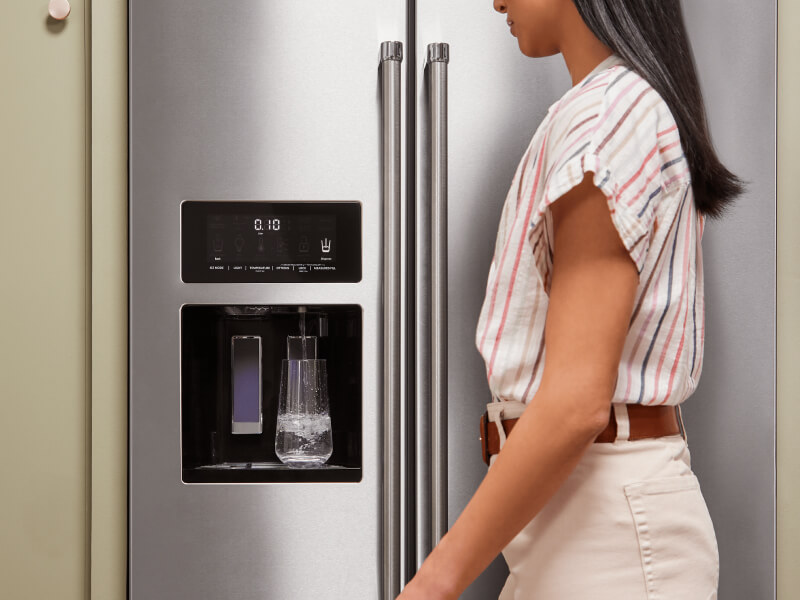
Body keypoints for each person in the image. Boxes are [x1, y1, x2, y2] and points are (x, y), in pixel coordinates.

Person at [396, 0, 743, 598]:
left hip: (606, 532)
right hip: (585, 520)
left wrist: (433, 585)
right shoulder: (611, 107)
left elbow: (576, 403)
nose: (495, 1)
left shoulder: (606, 118)